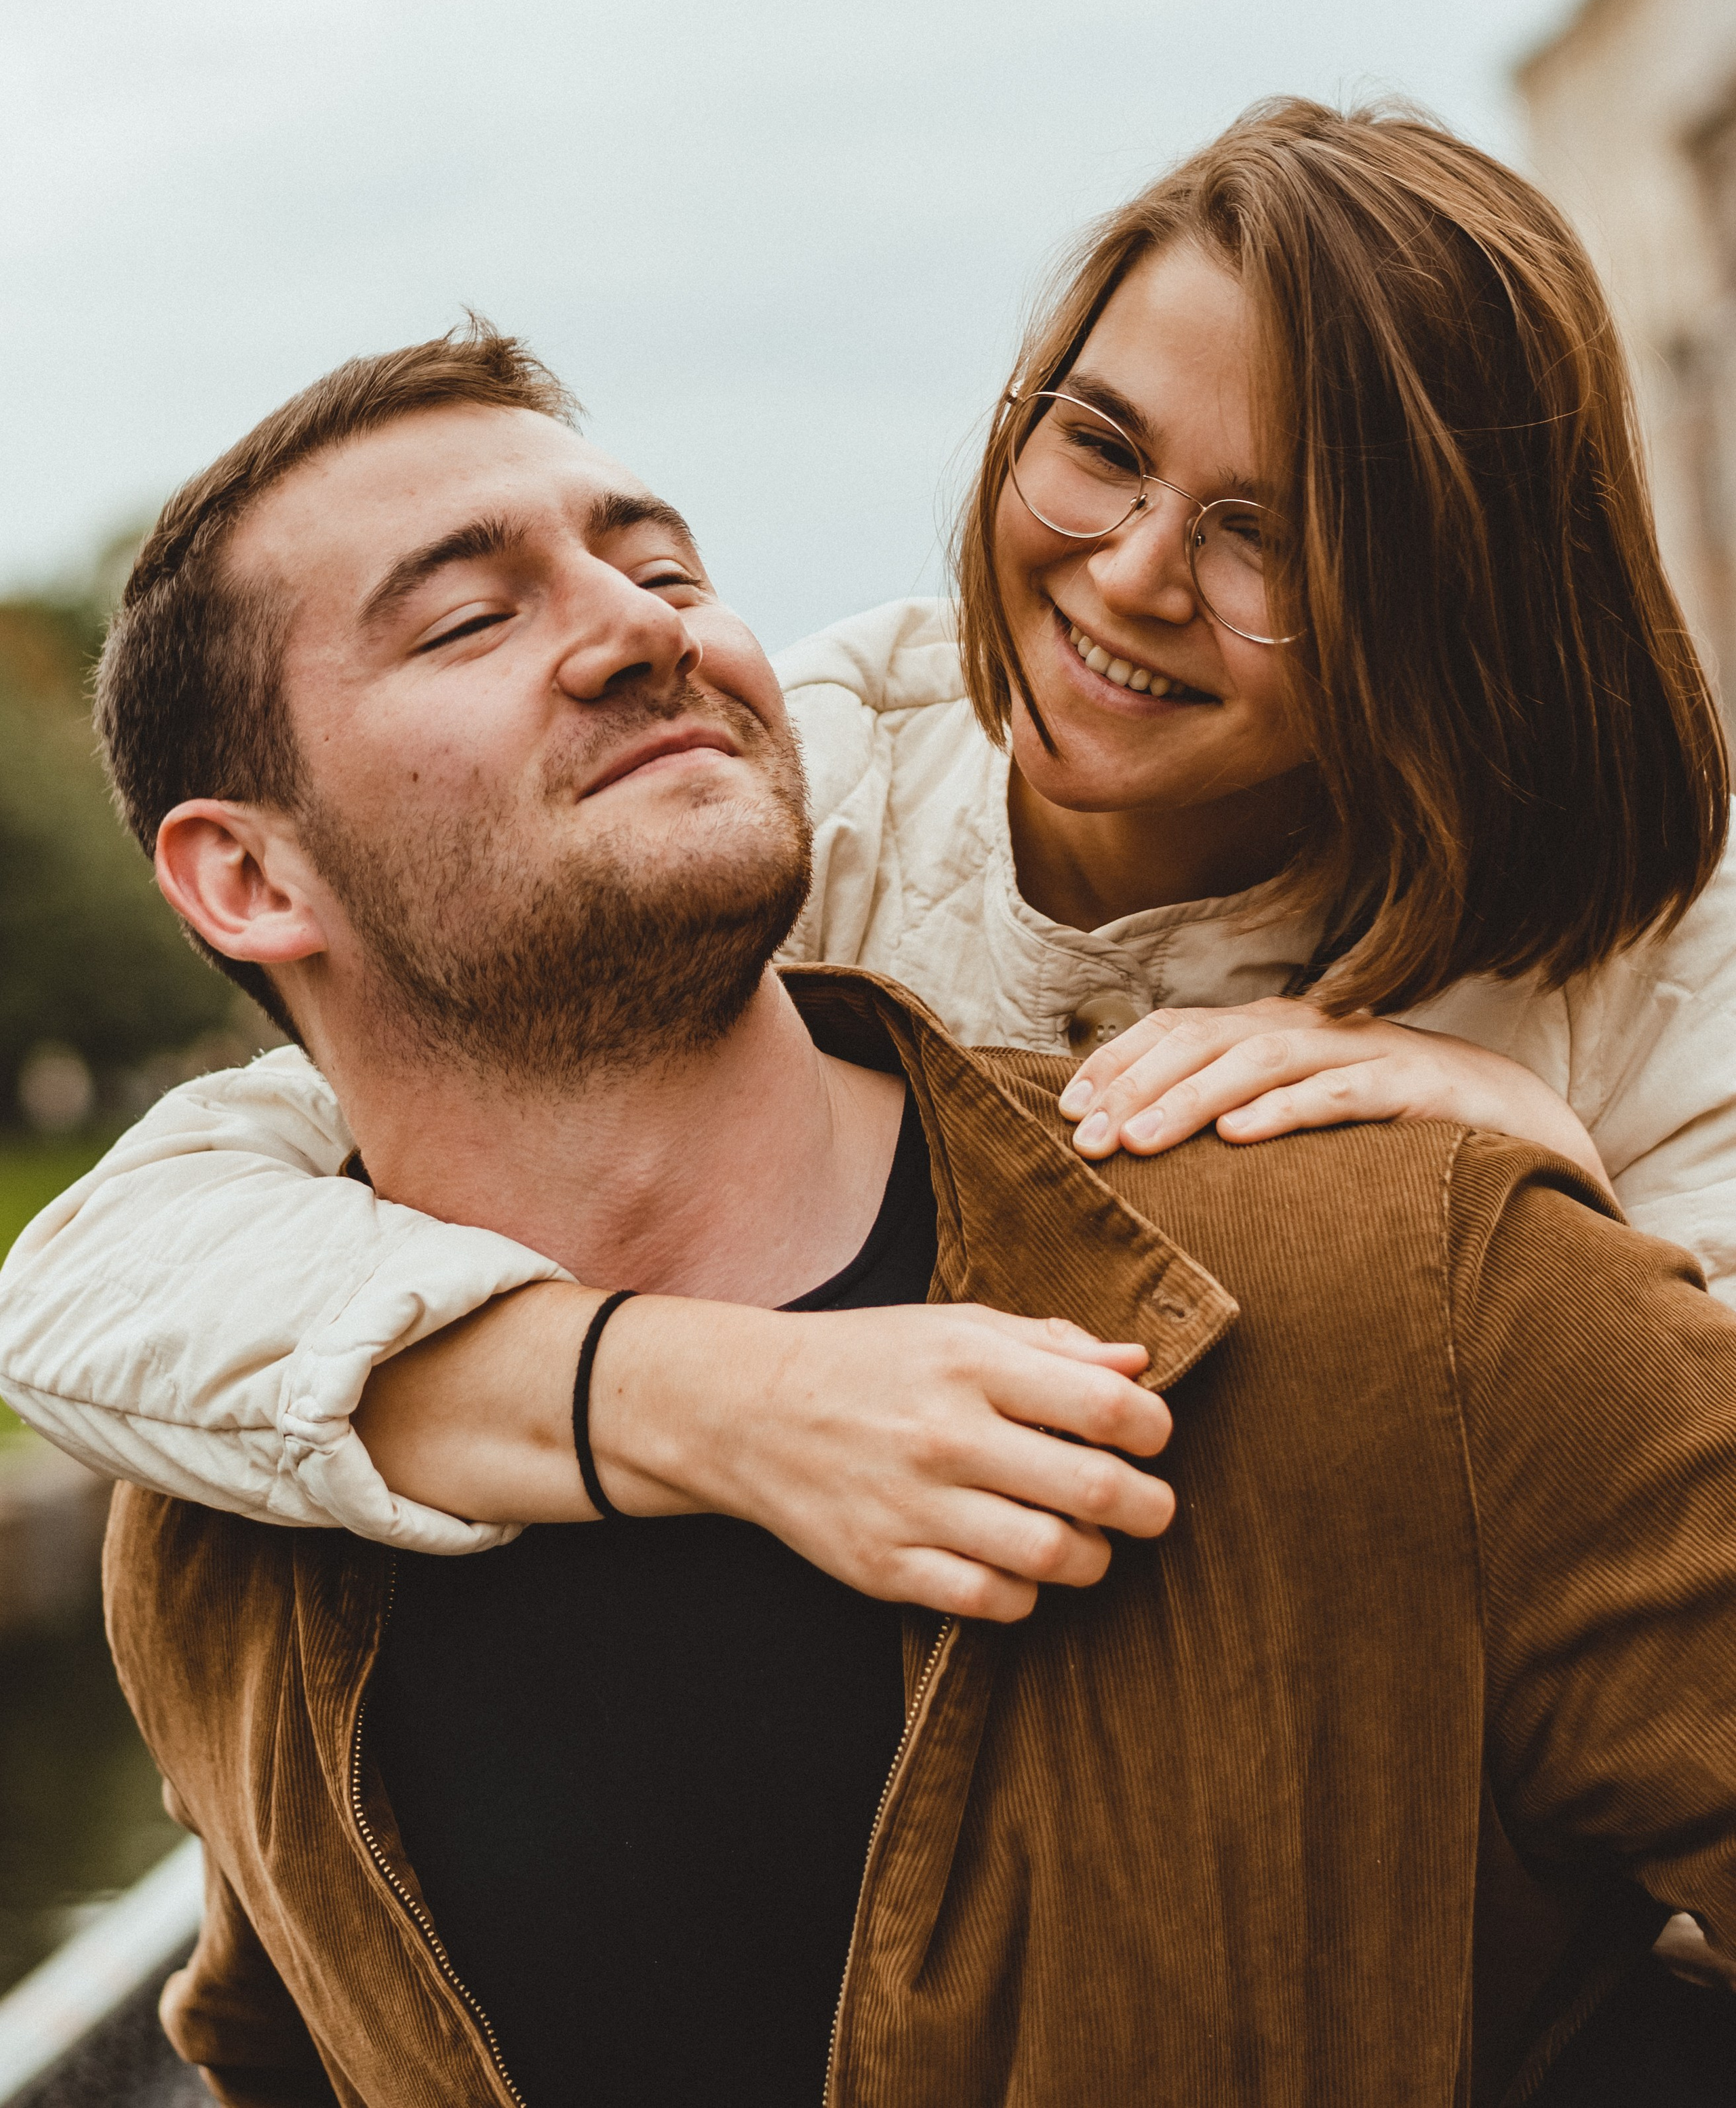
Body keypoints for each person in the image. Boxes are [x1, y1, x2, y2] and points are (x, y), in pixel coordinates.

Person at [87, 350, 1736, 2106]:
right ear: (249, 879)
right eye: (469, 621)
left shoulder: (1422, 1281)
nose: (644, 630)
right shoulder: (211, 1549)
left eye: (662, 569)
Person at [7, 98, 1733, 1585]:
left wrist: (1539, 1209)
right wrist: (707, 1398)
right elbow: (106, 1273)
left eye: (1264, 533)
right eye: (1098, 447)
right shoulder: (786, 780)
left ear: (1467, 589)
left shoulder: (1658, 955)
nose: (1127, 571)